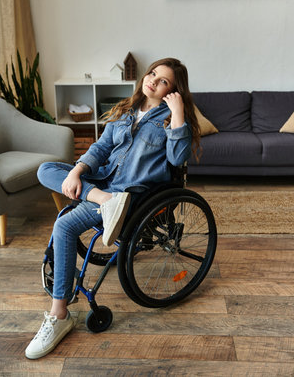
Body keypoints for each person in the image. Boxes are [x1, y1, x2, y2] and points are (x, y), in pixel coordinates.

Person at [25, 57, 200, 360]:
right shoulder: (126, 110)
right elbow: (101, 148)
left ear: (174, 91)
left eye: (164, 81)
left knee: (64, 225)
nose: (153, 81)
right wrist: (77, 172)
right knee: (45, 169)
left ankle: (60, 316)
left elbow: (176, 159)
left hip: (132, 195)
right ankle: (101, 201)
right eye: (153, 74)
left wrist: (178, 114)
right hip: (103, 186)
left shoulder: (169, 119)